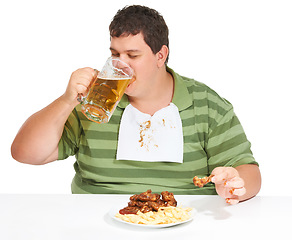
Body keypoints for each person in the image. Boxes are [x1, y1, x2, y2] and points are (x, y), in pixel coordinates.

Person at [11, 5, 261, 204]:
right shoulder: (96, 101)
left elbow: (248, 170)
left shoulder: (207, 105)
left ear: (160, 55)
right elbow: (25, 153)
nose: (121, 64)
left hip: (185, 223)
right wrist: (67, 100)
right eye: (115, 54)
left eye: (133, 55)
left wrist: (235, 183)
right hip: (95, 225)